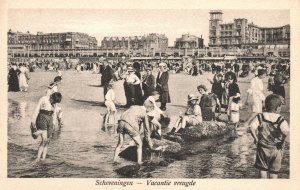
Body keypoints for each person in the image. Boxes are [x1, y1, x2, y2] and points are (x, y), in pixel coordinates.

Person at [249, 94, 289, 178]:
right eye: (280, 107)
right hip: (276, 149)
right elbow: (286, 132)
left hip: (263, 148)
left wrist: (256, 139)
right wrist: (281, 141)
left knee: (262, 169)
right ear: (277, 108)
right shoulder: (280, 119)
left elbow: (251, 128)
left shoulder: (260, 117)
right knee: (274, 172)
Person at [31, 92, 62, 162]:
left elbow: (54, 114)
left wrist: (54, 123)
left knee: (47, 141)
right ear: (51, 97)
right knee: (44, 140)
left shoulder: (55, 103)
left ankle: (43, 158)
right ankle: (38, 158)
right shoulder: (44, 99)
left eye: (55, 102)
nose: (54, 103)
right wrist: (33, 120)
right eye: (53, 101)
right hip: (42, 117)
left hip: (50, 119)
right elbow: (37, 109)